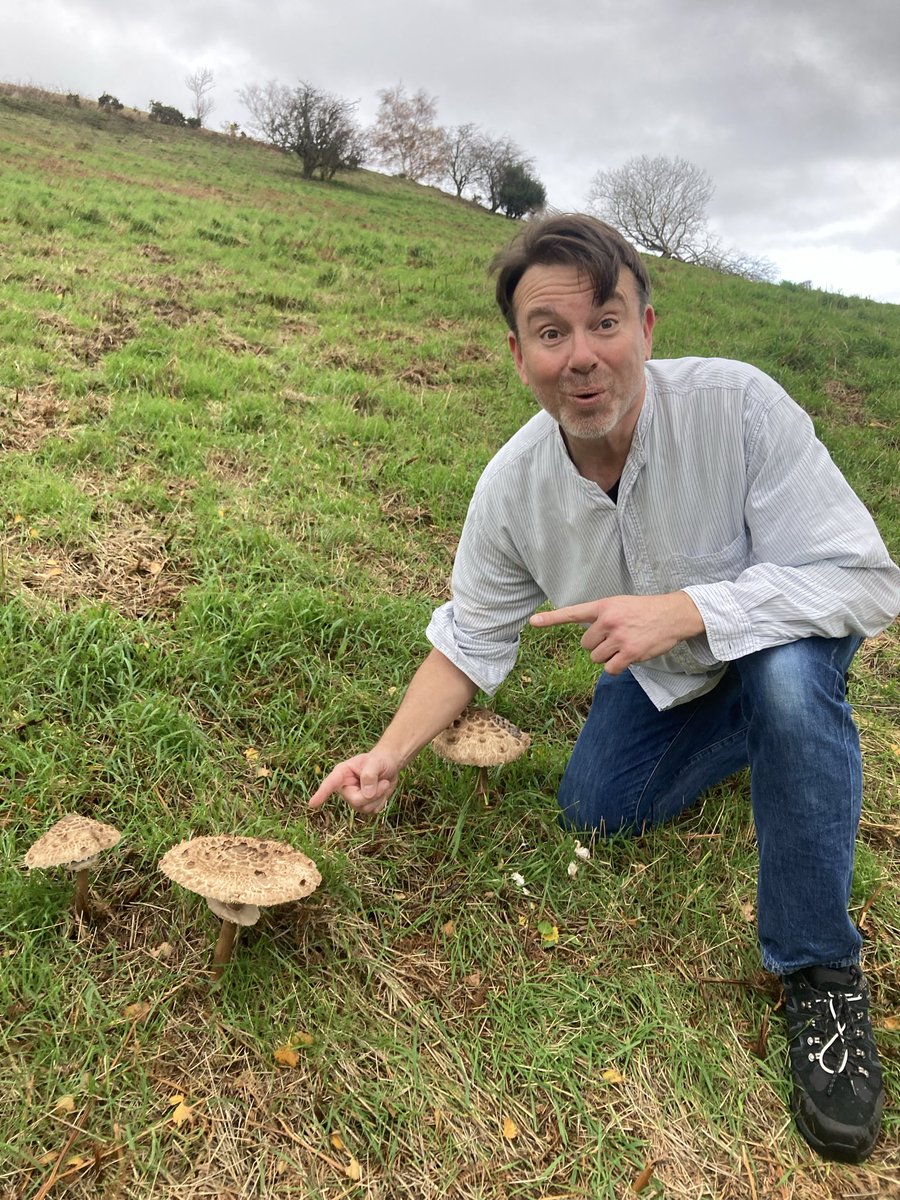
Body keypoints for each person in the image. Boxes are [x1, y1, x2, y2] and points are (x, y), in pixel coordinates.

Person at [309, 213, 900, 1163]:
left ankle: (820, 972)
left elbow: (867, 581)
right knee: (596, 810)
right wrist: (386, 755)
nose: (582, 358)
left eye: (606, 323)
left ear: (648, 328)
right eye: (552, 332)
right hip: (667, 676)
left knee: (789, 685)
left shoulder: (738, 406)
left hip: (777, 637)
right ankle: (775, 741)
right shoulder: (513, 489)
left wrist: (689, 608)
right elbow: (469, 639)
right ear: (519, 353)